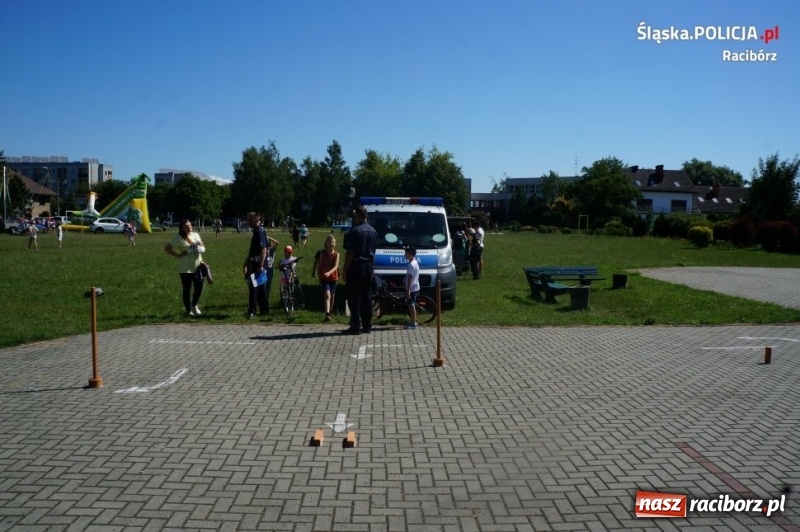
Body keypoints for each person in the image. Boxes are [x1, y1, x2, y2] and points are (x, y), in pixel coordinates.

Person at [341, 205, 378, 335]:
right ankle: (367, 325)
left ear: (359, 216)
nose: (354, 218)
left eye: (355, 216)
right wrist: (372, 269)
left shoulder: (355, 231)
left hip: (356, 266)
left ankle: (355, 326)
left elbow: (350, 253)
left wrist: (345, 269)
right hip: (368, 266)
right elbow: (373, 253)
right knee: (367, 296)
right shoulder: (373, 232)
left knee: (354, 296)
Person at [164, 219, 206, 317]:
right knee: (187, 289)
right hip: (185, 268)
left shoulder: (196, 235)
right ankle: (188, 310)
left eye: (190, 225)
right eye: (186, 226)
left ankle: (194, 305)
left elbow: (202, 245)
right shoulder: (178, 238)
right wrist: (178, 255)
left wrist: (200, 249)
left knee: (199, 288)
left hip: (198, 266)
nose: (189, 227)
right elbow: (167, 248)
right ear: (182, 228)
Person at [242, 212, 270, 319]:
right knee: (261, 287)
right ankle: (264, 310)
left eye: (250, 220)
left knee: (254, 287)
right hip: (255, 262)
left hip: (258, 263)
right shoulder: (257, 231)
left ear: (255, 220)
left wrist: (261, 264)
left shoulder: (259, 232)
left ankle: (252, 311)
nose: (248, 222)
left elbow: (263, 249)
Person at [311, 234, 340, 321]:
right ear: (326, 243)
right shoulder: (321, 253)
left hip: (333, 277)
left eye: (333, 242)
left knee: (332, 295)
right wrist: (314, 271)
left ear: (335, 244)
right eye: (329, 241)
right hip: (324, 277)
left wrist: (329, 272)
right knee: (327, 295)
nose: (331, 243)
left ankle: (330, 311)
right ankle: (327, 314)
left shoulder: (336, 254)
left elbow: (335, 266)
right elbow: (316, 262)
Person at [404, 246, 420, 330]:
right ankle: (413, 321)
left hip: (412, 288)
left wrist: (408, 291)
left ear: (410, 254)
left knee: (411, 305)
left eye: (406, 253)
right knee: (411, 305)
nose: (404, 255)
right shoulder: (414, 262)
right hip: (414, 287)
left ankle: (414, 323)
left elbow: (410, 278)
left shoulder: (411, 265)